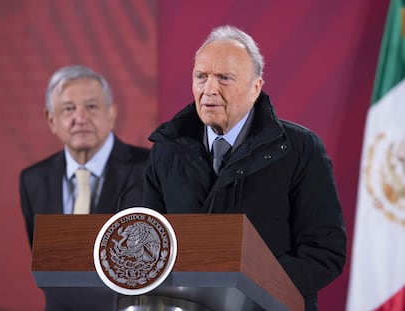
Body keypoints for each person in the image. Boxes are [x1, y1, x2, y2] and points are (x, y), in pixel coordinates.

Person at [143, 25, 346, 310]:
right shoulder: (167, 149)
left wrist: (251, 289)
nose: (209, 89)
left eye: (224, 78)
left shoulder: (301, 149)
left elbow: (325, 251)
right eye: (201, 77)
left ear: (255, 88)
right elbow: (146, 241)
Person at [19, 65, 150, 310]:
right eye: (68, 109)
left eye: (91, 107)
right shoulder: (33, 180)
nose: (80, 118)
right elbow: (45, 265)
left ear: (111, 112)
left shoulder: (149, 169)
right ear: (51, 119)